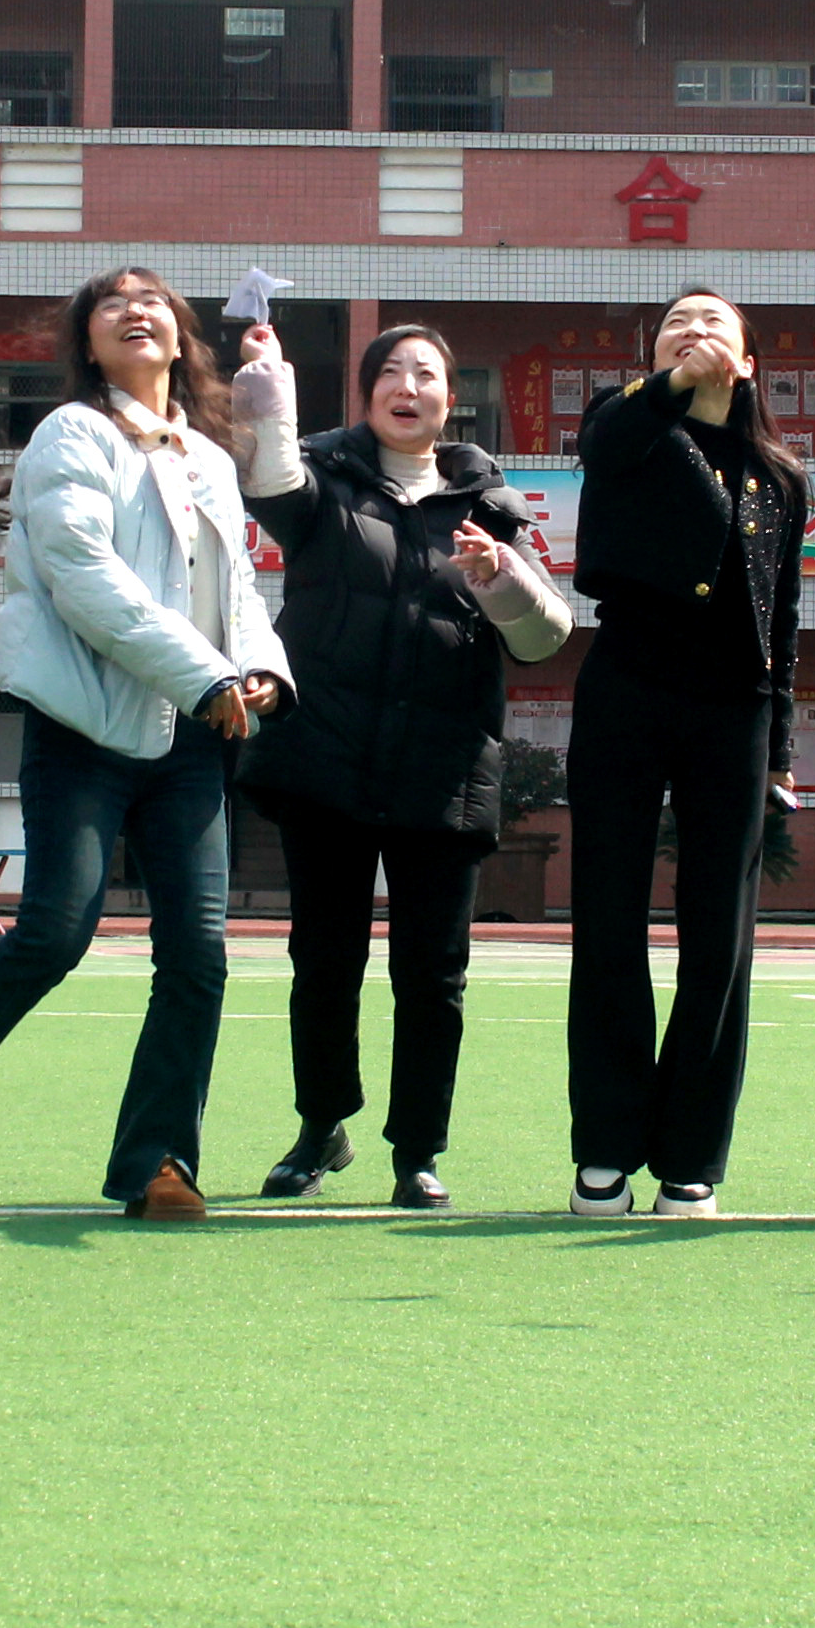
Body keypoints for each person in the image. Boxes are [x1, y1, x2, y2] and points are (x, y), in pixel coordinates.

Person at [0, 268, 292, 1219]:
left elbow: (238, 596)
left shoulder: (209, 459)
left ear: (181, 336)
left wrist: (261, 670)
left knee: (199, 954)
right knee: (56, 932)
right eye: (113, 304)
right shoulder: (71, 435)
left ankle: (157, 1162)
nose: (136, 311)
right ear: (88, 344)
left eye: (154, 302)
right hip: (82, 727)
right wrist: (208, 675)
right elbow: (84, 577)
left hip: (192, 738)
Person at [231, 319, 569, 1211]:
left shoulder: (493, 510)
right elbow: (269, 483)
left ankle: (417, 1150)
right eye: (390, 372)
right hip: (327, 760)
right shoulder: (324, 480)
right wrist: (268, 384)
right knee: (325, 961)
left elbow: (545, 638)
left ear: (451, 400)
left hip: (442, 771)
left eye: (425, 374)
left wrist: (501, 579)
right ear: (368, 392)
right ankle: (321, 1127)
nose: (407, 386)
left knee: (433, 975)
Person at [561, 289, 813, 1218]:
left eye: (715, 325)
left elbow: (783, 616)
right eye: (677, 324)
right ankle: (605, 1150)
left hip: (734, 708)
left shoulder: (779, 476)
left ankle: (692, 1156)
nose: (694, 331)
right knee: (609, 918)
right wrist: (667, 386)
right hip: (627, 682)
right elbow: (607, 441)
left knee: (720, 937)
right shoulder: (626, 422)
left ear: (748, 363)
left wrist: (780, 744)